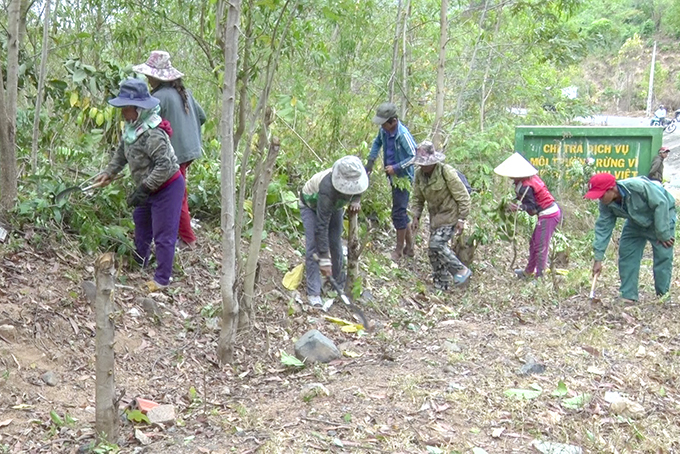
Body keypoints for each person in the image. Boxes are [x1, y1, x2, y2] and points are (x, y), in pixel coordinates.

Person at [94, 79, 185, 293]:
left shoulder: (153, 134)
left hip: (167, 187)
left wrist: (144, 189)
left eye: (126, 108)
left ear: (139, 108)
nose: (123, 112)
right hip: (147, 186)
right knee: (141, 222)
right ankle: (140, 260)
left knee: (164, 234)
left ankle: (162, 279)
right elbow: (121, 154)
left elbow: (166, 165)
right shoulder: (132, 129)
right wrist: (109, 173)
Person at [133, 51, 206, 249]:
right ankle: (181, 235)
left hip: (176, 153)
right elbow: (202, 116)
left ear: (156, 76)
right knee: (179, 191)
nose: (147, 78)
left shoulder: (157, 97)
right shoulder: (185, 92)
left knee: (176, 195)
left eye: (149, 75)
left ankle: (188, 239)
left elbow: (145, 126)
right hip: (190, 150)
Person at [584, 173, 676, 303]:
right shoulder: (606, 204)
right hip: (635, 221)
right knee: (627, 252)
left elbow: (661, 204)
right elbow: (603, 228)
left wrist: (663, 233)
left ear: (611, 189)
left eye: (601, 195)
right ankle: (628, 295)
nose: (599, 199)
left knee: (663, 255)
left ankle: (663, 296)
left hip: (661, 216)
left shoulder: (637, 187)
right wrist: (598, 259)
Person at [300, 156, 369, 307]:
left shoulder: (358, 176)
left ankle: (338, 284)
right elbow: (321, 226)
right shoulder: (327, 188)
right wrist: (324, 259)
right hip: (312, 206)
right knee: (314, 248)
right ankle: (314, 292)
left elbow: (360, 188)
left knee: (336, 243)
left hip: (335, 206)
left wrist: (356, 200)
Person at [411, 141, 472, 290]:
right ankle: (441, 284)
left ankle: (460, 270)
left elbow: (463, 196)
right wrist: (415, 216)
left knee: (436, 244)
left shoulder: (446, 172)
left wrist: (462, 219)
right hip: (435, 218)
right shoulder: (419, 175)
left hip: (450, 215)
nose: (423, 166)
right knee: (433, 253)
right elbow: (417, 198)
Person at [494, 153, 561, 278]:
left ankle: (540, 276)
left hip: (548, 214)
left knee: (540, 245)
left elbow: (533, 209)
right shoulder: (527, 180)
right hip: (545, 213)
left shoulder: (526, 186)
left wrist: (519, 208)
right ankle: (529, 271)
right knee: (534, 243)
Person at [365, 102, 417, 261]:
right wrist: (370, 162)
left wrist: (397, 167)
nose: (382, 126)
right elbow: (377, 143)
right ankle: (410, 248)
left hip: (403, 178)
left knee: (398, 213)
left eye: (384, 123)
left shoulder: (402, 134)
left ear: (393, 121)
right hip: (393, 178)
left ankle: (399, 251)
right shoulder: (384, 131)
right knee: (400, 212)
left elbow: (414, 156)